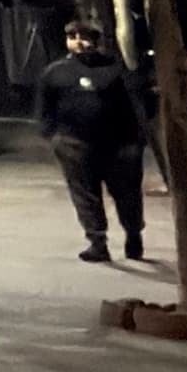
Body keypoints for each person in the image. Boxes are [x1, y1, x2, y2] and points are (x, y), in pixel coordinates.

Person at [33, 20, 150, 264]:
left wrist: (136, 141)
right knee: (85, 195)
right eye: (72, 36)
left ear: (95, 41)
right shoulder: (56, 72)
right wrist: (54, 137)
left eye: (84, 36)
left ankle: (133, 234)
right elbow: (45, 109)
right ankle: (97, 242)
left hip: (118, 146)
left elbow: (136, 106)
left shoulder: (114, 71)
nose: (78, 41)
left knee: (127, 194)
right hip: (74, 144)